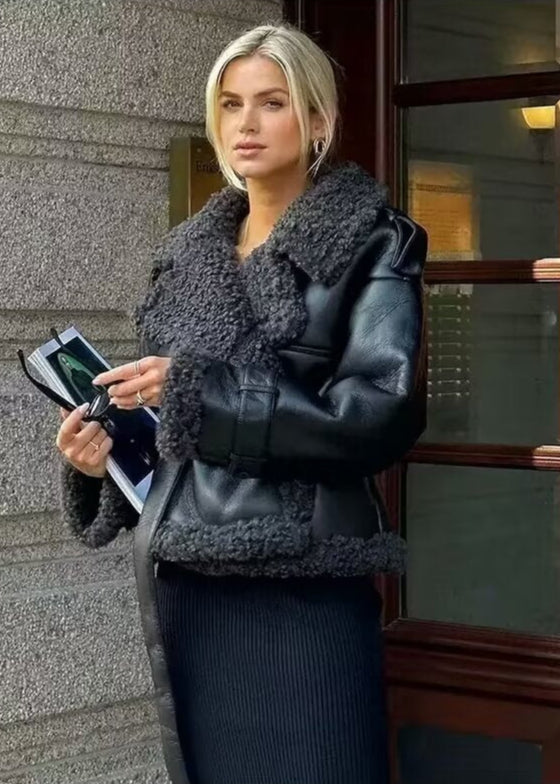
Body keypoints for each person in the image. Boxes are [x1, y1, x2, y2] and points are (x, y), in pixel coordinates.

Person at [55, 23, 427, 784]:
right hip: (191, 581)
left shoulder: (373, 243)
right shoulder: (185, 255)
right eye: (230, 104)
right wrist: (102, 458)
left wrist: (204, 393)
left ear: (318, 120)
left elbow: (378, 414)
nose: (245, 124)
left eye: (271, 102)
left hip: (304, 583)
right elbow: (173, 431)